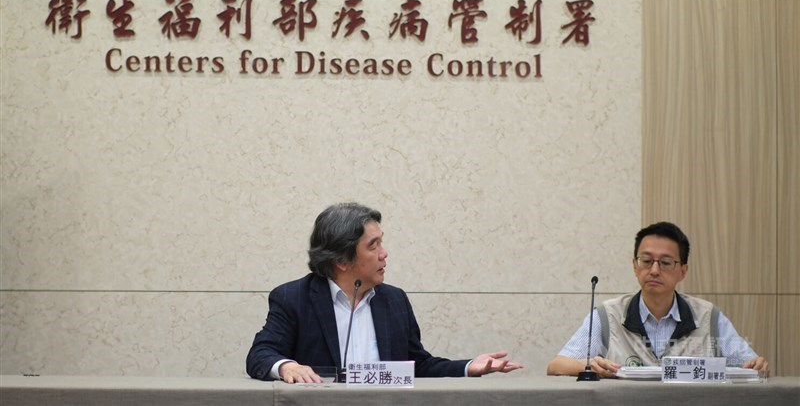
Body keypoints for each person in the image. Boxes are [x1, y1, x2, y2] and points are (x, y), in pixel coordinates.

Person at [247, 202, 523, 383]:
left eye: (382, 242)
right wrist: (286, 367)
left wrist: (467, 367)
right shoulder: (294, 298)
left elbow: (417, 366)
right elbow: (261, 355)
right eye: (373, 245)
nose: (384, 253)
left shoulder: (394, 300)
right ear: (341, 260)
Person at [547, 221, 769, 378]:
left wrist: (756, 365)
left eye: (665, 262)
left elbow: (750, 366)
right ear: (635, 266)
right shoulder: (608, 315)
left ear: (683, 271)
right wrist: (588, 366)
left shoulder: (708, 316)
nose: (654, 270)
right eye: (646, 261)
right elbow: (556, 365)